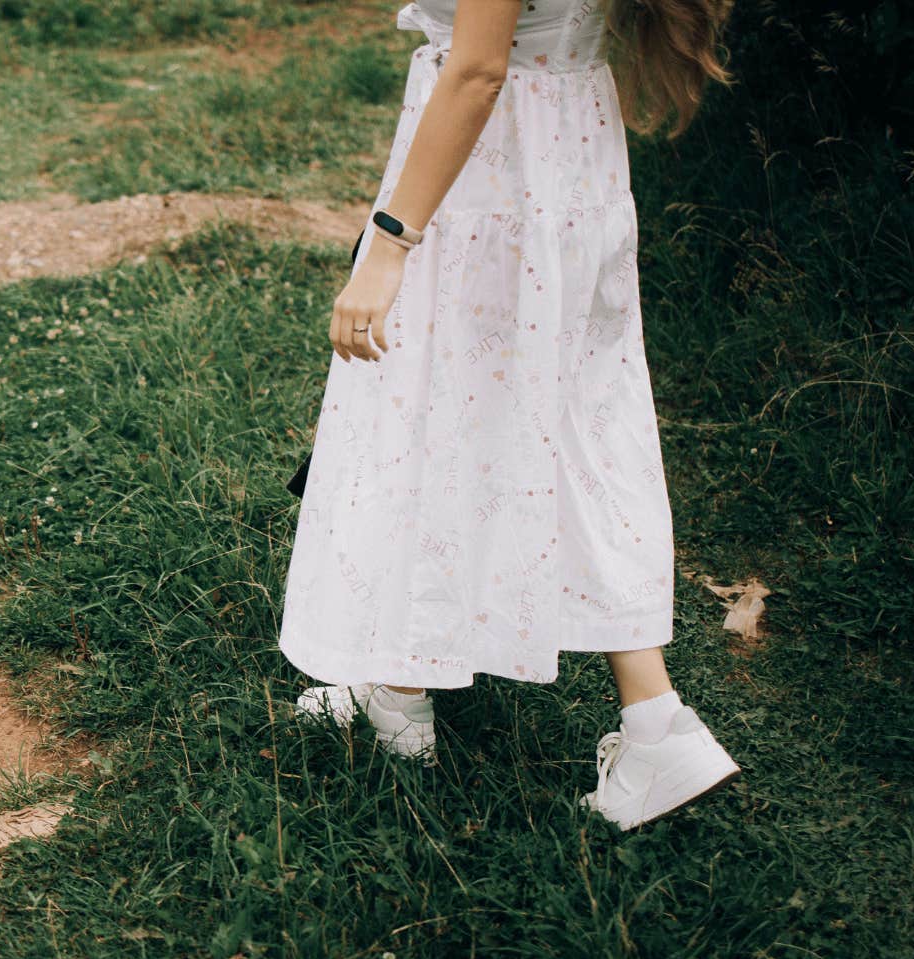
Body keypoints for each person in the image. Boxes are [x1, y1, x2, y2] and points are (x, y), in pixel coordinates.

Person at [280, 0, 739, 829]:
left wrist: (388, 242)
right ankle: (637, 716)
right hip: (569, 157)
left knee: (442, 419)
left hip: (496, 171)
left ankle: (416, 693)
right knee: (560, 427)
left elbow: (481, 68)